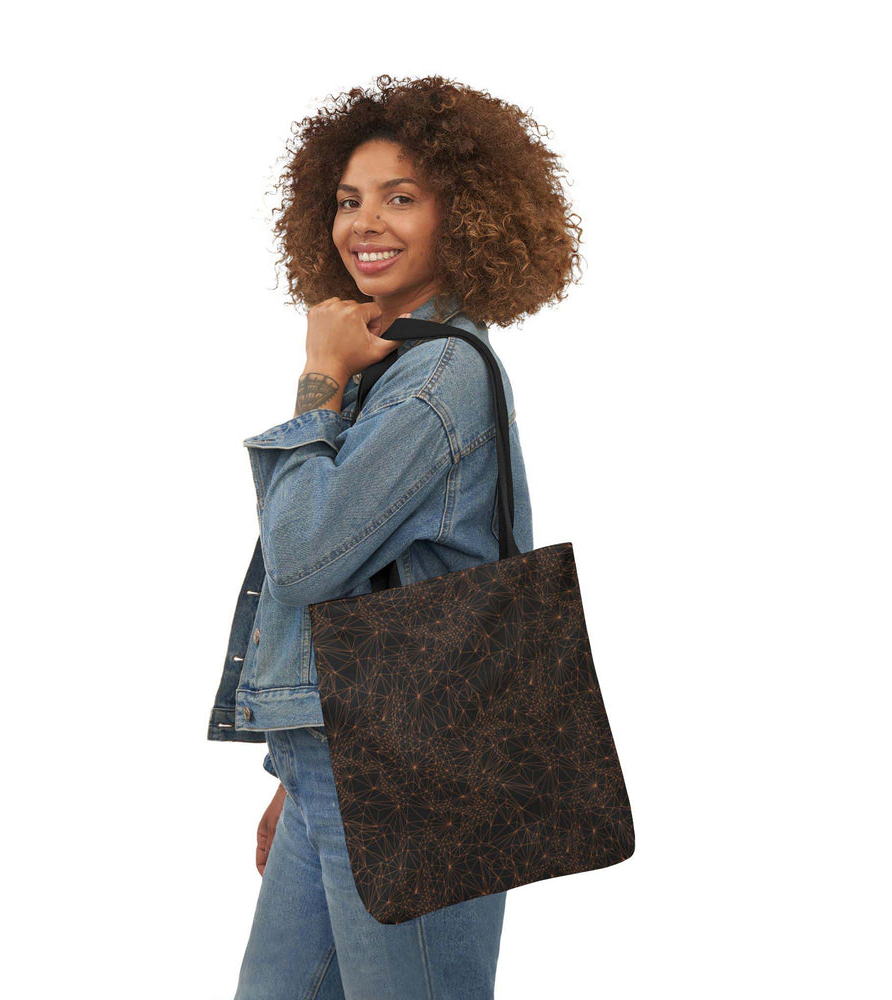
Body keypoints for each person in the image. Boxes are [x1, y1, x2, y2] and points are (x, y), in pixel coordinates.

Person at [206, 73, 583, 999]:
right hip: (339, 758)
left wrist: (318, 380)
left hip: (414, 773)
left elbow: (307, 559)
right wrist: (298, 769)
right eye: (347, 201)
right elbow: (364, 590)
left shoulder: (437, 377)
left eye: (400, 198)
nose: (363, 224)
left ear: (467, 215)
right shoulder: (396, 364)